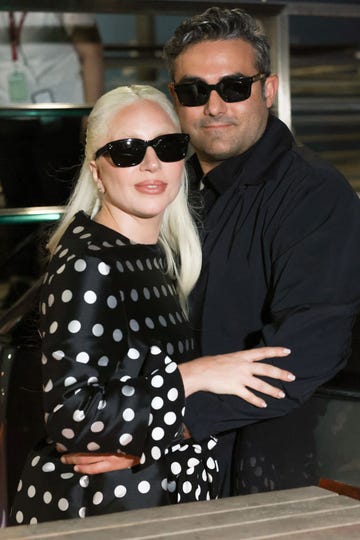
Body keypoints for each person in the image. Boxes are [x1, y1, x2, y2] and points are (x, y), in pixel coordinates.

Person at [62, 7, 360, 499]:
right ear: (177, 99)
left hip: (253, 474)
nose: (215, 106)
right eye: (195, 91)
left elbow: (304, 352)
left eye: (235, 87)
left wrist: (159, 431)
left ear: (268, 90)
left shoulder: (315, 195)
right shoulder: (166, 187)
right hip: (150, 471)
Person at [9, 84, 294, 525]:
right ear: (97, 171)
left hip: (151, 505)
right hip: (106, 513)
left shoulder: (151, 254)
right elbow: (72, 417)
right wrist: (198, 374)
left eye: (167, 145)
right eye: (126, 150)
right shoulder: (90, 261)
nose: (150, 163)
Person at [0, 12, 104, 304]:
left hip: (59, 114)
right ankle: (23, 287)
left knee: (61, 202)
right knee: (18, 204)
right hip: (8, 115)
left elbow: (91, 50)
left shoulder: (60, 7)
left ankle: (65, 281)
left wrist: (90, 115)